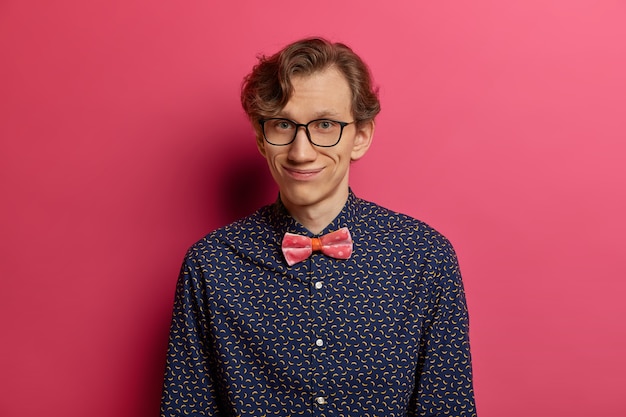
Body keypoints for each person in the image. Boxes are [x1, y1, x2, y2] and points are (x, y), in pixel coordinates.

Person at [161, 37, 476, 417]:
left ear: (360, 136)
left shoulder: (424, 257)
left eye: (324, 125)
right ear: (262, 138)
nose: (301, 151)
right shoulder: (210, 266)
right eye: (283, 125)